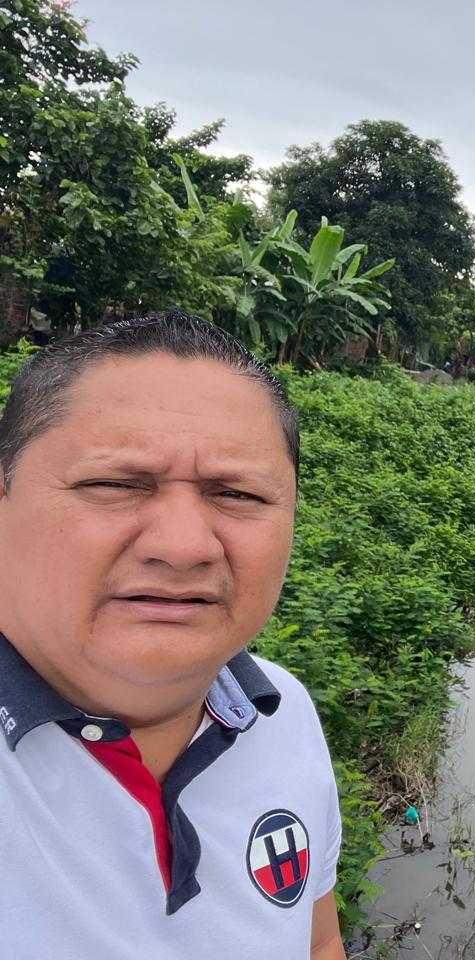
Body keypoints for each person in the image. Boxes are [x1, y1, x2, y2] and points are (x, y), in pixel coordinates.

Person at [0, 311, 346, 958]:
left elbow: (318, 941)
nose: (184, 546)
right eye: (112, 484)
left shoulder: (282, 711)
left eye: (237, 494)